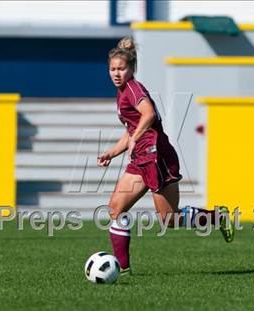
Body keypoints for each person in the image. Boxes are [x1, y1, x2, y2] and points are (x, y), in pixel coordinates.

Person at [97, 36, 234, 276]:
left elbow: (148, 114)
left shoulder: (133, 88)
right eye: (112, 69)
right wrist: (112, 151)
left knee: (169, 220)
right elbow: (131, 129)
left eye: (121, 68)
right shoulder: (122, 91)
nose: (116, 73)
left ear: (132, 69)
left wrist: (137, 137)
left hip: (156, 156)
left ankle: (217, 217)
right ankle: (123, 268)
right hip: (141, 157)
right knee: (116, 209)